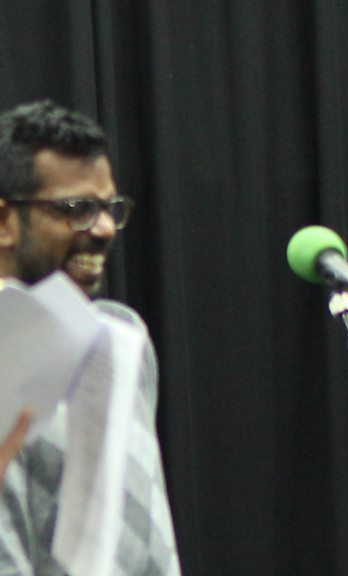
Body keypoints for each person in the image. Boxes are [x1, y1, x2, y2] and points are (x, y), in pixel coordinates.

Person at [0, 100, 181, 575]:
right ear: (4, 223)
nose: (102, 229)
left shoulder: (122, 338)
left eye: (109, 209)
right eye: (77, 209)